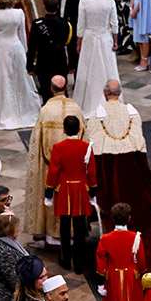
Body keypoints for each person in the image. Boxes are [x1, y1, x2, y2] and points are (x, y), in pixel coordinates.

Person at [86, 80, 151, 268]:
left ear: (105, 94)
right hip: (133, 170)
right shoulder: (132, 112)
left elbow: (92, 146)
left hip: (107, 170)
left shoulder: (96, 115)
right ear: (119, 93)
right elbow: (140, 143)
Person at [25, 75, 84, 247]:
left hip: (49, 164)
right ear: (66, 88)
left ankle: (52, 236)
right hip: (75, 167)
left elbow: (37, 141)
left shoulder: (46, 110)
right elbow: (84, 139)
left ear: (51, 89)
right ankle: (74, 237)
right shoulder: (77, 109)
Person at [0, 0, 41, 130]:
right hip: (16, 47)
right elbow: (22, 34)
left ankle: (5, 110)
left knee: (3, 79)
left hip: (1, 48)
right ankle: (23, 108)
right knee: (19, 77)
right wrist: (25, 51)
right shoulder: (18, 13)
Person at [45, 114, 97, 273]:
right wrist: (93, 189)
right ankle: (80, 264)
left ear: (64, 130)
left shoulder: (58, 148)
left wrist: (48, 191)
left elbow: (53, 172)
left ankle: (66, 260)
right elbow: (92, 171)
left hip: (64, 191)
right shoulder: (86, 147)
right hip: (81, 190)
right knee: (80, 229)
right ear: (80, 129)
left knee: (65, 227)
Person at [96, 202, 146, 301]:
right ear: (129, 219)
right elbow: (141, 261)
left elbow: (101, 263)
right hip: (131, 279)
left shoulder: (106, 238)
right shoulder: (136, 238)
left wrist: (100, 283)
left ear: (112, 219)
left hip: (113, 279)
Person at [73, 0, 120, 117]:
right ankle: (111, 98)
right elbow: (114, 22)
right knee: (107, 68)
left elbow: (80, 25)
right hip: (105, 37)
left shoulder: (84, 1)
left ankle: (88, 101)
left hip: (89, 38)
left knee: (89, 69)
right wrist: (115, 40)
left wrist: (78, 42)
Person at [26, 0, 72, 102]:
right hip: (60, 63)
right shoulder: (65, 24)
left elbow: (32, 47)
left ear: (43, 7)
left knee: (46, 93)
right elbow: (69, 46)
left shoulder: (37, 25)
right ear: (58, 7)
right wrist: (71, 65)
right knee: (62, 92)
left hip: (44, 64)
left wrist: (29, 66)